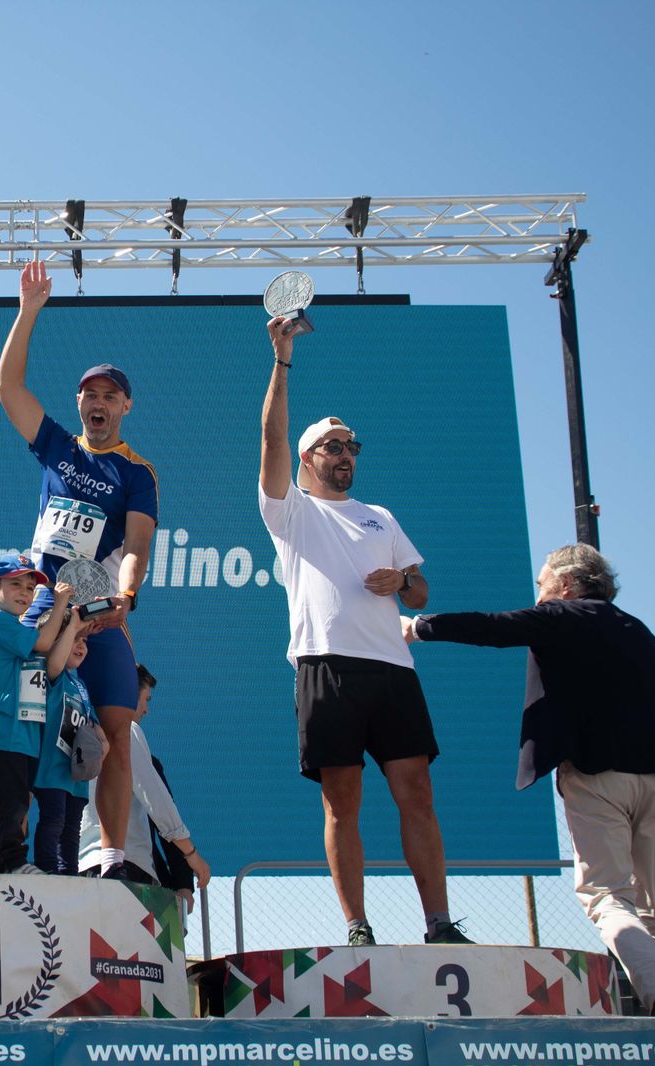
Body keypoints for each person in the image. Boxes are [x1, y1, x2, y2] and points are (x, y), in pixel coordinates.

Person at [404, 543, 655, 1015]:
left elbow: (492, 627)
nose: (538, 594)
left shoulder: (562, 616)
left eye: (541, 584)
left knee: (604, 895)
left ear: (565, 584)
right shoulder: (641, 632)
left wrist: (418, 627)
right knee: (653, 905)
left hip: (597, 774)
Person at [258, 318, 467, 947]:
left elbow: (421, 591)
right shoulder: (290, 510)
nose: (345, 454)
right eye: (332, 446)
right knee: (340, 802)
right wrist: (282, 360)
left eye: (351, 446)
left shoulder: (381, 517)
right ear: (308, 458)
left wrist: (401, 582)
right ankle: (357, 928)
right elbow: (271, 436)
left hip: (393, 670)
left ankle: (439, 924)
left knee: (418, 795)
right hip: (325, 668)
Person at [0, 260, 158, 879]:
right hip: (44, 608)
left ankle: (111, 862)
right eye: (90, 394)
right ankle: (15, 858)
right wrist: (27, 311)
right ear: (79, 403)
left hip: (99, 612)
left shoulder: (136, 472)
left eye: (109, 395)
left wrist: (127, 594)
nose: (98, 402)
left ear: (126, 406)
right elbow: (8, 388)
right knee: (24, 734)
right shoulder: (58, 446)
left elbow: (137, 543)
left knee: (113, 733)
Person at [0, 553, 74, 873]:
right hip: (4, 730)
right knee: (9, 802)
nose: (24, 593)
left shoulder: (13, 627)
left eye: (30, 588)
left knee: (6, 801)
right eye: (15, 584)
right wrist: (60, 603)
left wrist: (74, 622)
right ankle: (14, 861)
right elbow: (43, 642)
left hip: (22, 733)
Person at [78, 666, 209, 893]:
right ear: (129, 693)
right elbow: (156, 800)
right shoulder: (128, 731)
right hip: (125, 865)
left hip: (82, 868)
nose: (146, 709)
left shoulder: (84, 734)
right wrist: (191, 853)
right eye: (146, 699)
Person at [32, 614, 99, 874]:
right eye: (74, 639)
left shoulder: (80, 684)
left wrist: (101, 745)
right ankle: (47, 871)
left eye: (84, 640)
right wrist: (71, 625)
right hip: (52, 769)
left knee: (71, 830)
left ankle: (68, 875)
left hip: (75, 774)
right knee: (53, 820)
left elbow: (93, 724)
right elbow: (55, 664)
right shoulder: (53, 672)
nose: (81, 645)